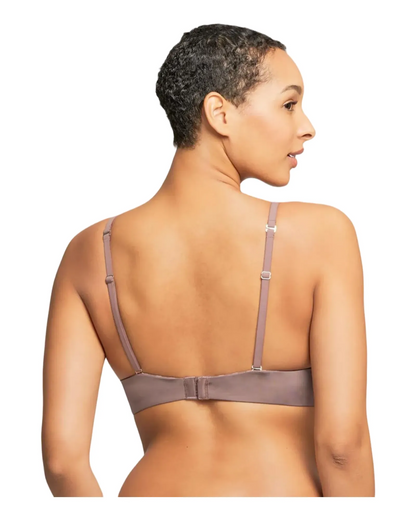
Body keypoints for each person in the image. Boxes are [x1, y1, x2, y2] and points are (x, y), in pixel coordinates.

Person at [41, 23, 375, 497]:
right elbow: (342, 446)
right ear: (219, 113)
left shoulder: (89, 253)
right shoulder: (321, 234)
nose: (307, 126)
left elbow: (61, 461)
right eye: (289, 104)